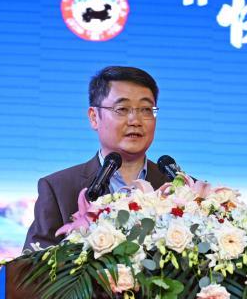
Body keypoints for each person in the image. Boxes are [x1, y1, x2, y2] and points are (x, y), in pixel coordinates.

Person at [22, 66, 168, 252]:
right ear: (94, 117)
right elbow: (31, 264)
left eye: (146, 109)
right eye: (122, 109)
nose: (135, 120)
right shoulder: (59, 189)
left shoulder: (183, 189)